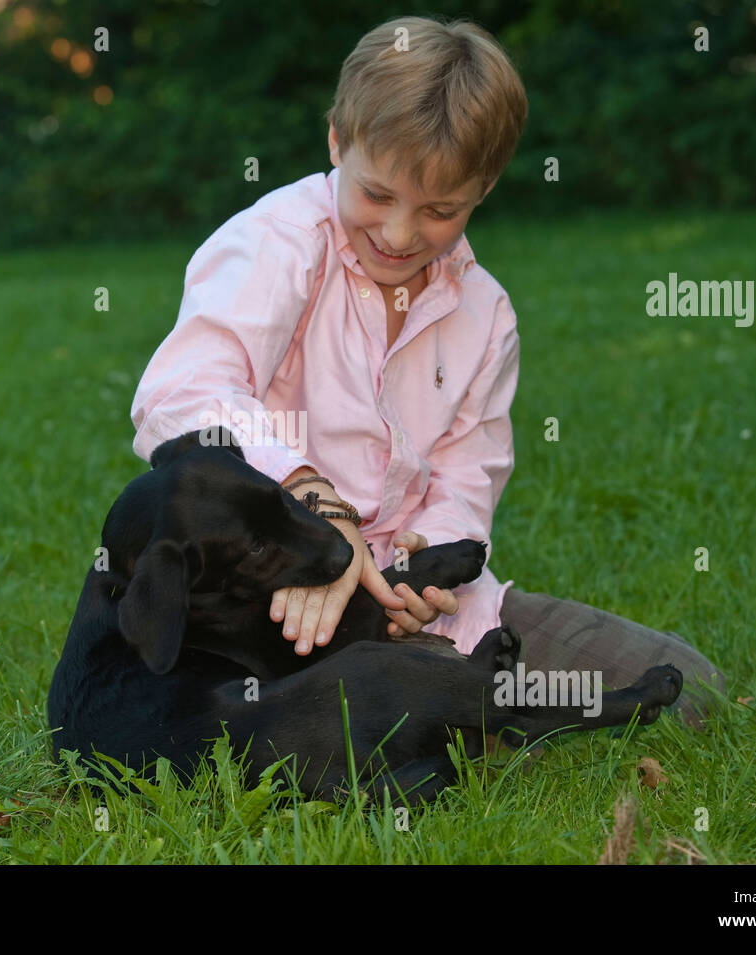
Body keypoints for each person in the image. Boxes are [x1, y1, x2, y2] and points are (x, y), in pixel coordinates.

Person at [130, 15, 724, 725]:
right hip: (274, 597)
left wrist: (434, 559)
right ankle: (423, 700)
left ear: (485, 188)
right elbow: (180, 396)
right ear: (337, 141)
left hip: (422, 602)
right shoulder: (275, 245)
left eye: (440, 210)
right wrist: (316, 503)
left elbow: (470, 467)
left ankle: (445, 677)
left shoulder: (485, 311)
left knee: (694, 691)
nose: (401, 234)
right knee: (423, 721)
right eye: (377, 195)